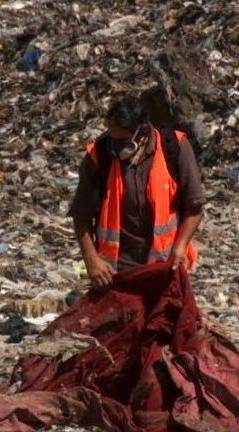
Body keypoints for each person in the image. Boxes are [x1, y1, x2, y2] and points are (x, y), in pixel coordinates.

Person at [69, 95, 206, 289]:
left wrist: (181, 246)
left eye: (122, 141)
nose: (115, 147)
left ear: (141, 134)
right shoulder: (100, 155)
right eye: (112, 138)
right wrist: (92, 260)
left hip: (164, 268)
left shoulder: (174, 147)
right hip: (114, 273)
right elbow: (81, 216)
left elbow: (195, 207)